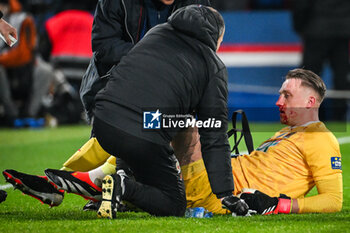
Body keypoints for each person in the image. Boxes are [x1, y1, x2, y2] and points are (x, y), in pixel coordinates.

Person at [292, 0, 350, 121]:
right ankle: (340, 116)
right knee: (341, 76)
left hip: (316, 30)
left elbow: (301, 5)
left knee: (310, 77)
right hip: (342, 31)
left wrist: (300, 26)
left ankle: (313, 116)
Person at [0, 0, 37, 126]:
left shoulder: (22, 19)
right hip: (7, 62)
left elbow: (23, 52)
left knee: (45, 70)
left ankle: (30, 113)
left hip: (16, 61)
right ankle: (12, 114)